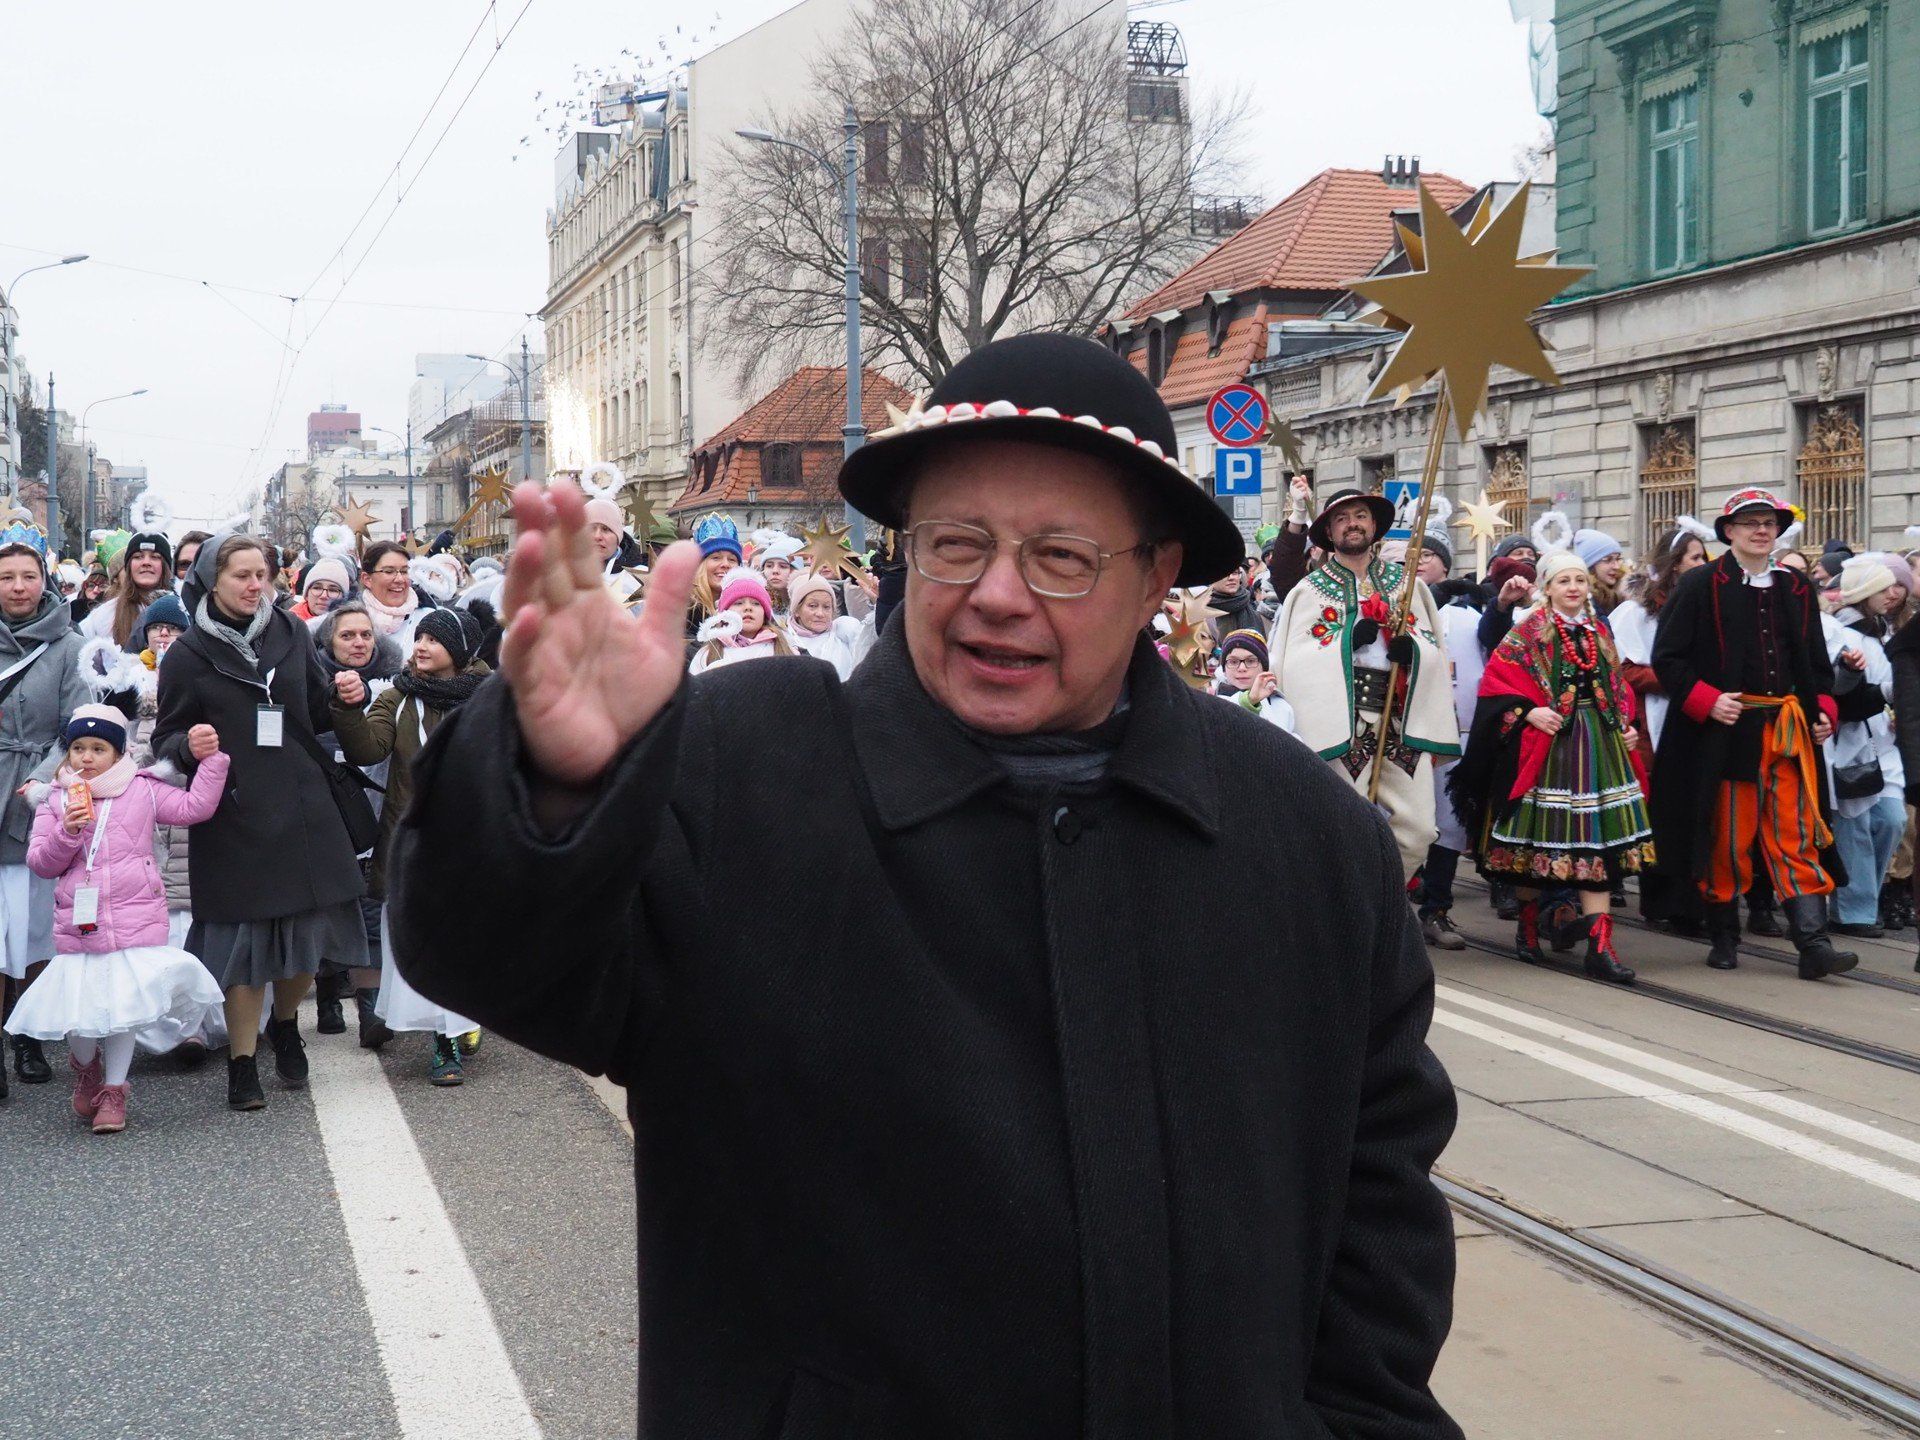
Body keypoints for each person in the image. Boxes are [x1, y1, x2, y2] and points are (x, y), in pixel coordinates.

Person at [389, 332, 1461, 1438]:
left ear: (1154, 580)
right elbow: (485, 958)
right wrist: (555, 786)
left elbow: (1381, 1213)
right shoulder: (741, 766)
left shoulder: (1306, 836)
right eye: (957, 545)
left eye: (1060, 558)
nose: (997, 594)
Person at [151, 532, 370, 1110]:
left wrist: (347, 694)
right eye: (241, 576)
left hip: (304, 810)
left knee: (306, 948)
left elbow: (315, 709)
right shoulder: (187, 654)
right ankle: (242, 1066)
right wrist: (187, 744)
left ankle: (286, 1022)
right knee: (245, 954)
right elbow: (164, 739)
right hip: (235, 815)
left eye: (262, 576)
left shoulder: (291, 632)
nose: (254, 587)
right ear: (212, 581)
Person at [1650, 489, 1855, 979]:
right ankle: (1724, 934)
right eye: (1750, 523)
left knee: (1797, 832)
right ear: (1730, 532)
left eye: (1768, 523)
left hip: (1787, 730)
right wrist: (1706, 699)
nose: (1761, 530)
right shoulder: (1701, 584)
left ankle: (1813, 942)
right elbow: (1668, 658)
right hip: (1728, 734)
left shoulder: (1797, 588)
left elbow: (1814, 662)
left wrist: (1823, 710)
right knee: (1729, 834)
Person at [7, 706, 229, 1133]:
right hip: (78, 923)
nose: (86, 758)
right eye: (77, 749)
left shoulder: (143, 790)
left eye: (98, 748)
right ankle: (86, 1069)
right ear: (67, 754)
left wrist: (212, 762)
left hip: (135, 918)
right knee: (81, 1009)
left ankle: (114, 1090)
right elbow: (41, 863)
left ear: (118, 752)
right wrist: (67, 831)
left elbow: (193, 808)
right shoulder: (54, 798)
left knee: (121, 1009)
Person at [1451, 550, 1652, 983]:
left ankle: (1600, 947)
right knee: (1537, 849)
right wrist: (1527, 713)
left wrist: (1625, 725)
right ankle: (1528, 926)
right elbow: (1496, 685)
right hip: (1551, 748)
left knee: (1595, 844)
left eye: (1580, 580)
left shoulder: (1599, 629)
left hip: (1599, 745)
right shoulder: (1528, 631)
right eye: (1564, 581)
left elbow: (1616, 686)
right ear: (1547, 587)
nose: (1574, 588)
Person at [330, 607, 489, 1085]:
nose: (420, 646)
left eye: (433, 640)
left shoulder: (492, 698)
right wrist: (349, 707)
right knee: (421, 942)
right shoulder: (398, 696)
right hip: (411, 842)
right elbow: (368, 750)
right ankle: (444, 1047)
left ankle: (467, 1014)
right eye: (418, 637)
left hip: (470, 840)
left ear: (458, 650)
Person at [1269, 487, 1460, 877]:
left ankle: (1384, 898)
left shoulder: (1408, 587)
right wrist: (1344, 644)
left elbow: (1435, 649)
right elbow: (1291, 661)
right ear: (1329, 533)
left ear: (1374, 525)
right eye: (1341, 518)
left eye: (1359, 515)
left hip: (1399, 723)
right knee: (1342, 831)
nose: (1351, 524)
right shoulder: (1308, 591)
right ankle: (1353, 913)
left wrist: (1415, 655)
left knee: (1419, 831)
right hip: (1342, 726)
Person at [0, 520, 93, 1092]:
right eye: (6, 577)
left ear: (45, 581)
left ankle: (27, 1033)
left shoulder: (69, 646)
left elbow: (76, 730)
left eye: (27, 576)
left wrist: (38, 783)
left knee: (36, 924)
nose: (17, 586)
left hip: (36, 796)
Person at [1612, 521, 1713, 933]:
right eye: (1694, 558)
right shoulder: (1636, 612)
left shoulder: (1710, 603)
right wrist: (1678, 680)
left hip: (1698, 716)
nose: (1702, 564)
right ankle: (1659, 899)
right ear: (1673, 565)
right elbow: (1622, 669)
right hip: (1655, 722)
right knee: (1661, 809)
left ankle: (1693, 900)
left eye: (1705, 558)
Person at [1822, 556, 1907, 939]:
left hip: (1885, 746)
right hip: (1850, 746)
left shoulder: (1886, 633)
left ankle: (1863, 900)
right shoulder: (1843, 634)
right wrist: (1885, 695)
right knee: (1854, 827)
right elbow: (1845, 695)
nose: (1892, 593)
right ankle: (1853, 911)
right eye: (1883, 587)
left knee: (1892, 820)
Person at [80, 531, 174, 650]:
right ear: (128, 567)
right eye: (138, 557)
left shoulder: (182, 609)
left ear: (166, 567)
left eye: (155, 557)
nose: (146, 562)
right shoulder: (103, 616)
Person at [688, 570, 795, 674]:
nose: (748, 608)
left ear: (765, 613)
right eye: (738, 603)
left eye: (756, 604)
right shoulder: (708, 653)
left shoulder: (783, 647)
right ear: (724, 613)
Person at [784, 569, 872, 679]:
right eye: (812, 606)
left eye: (826, 607)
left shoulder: (845, 632)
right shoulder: (783, 641)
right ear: (796, 610)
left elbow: (869, 646)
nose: (820, 614)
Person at [1207, 628, 1295, 732]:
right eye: (1233, 662)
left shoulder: (1281, 706)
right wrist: (1248, 701)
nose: (1242, 668)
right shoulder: (1210, 701)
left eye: (1251, 661)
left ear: (1264, 667)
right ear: (1224, 669)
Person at [686, 512, 743, 642]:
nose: (725, 564)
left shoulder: (748, 607)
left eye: (732, 559)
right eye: (716, 558)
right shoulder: (685, 610)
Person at [357, 541, 426, 641]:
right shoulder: (348, 621)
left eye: (404, 571)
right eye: (389, 571)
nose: (399, 579)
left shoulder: (428, 618)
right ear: (367, 579)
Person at [1573, 529, 1628, 616]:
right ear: (1591, 566)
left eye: (1617, 559)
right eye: (1608, 560)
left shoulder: (1623, 592)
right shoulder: (1585, 601)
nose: (1616, 566)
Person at [291, 555, 354, 624]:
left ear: (343, 597)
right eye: (317, 588)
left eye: (332, 590)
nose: (324, 596)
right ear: (306, 594)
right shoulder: (287, 624)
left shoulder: (354, 625)